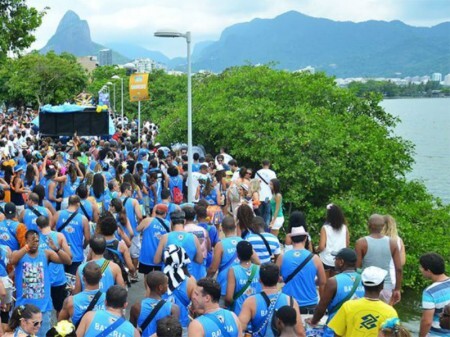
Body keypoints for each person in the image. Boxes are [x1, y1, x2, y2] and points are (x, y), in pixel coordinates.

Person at [10, 229, 72, 337]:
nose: (35, 244)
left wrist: (57, 249)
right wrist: (27, 247)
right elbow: (12, 260)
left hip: (43, 310)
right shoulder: (19, 254)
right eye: (31, 241)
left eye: (37, 241)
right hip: (23, 310)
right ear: (26, 241)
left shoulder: (46, 254)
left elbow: (68, 261)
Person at [306, 248, 365, 337]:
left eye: (335, 259)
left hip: (335, 329)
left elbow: (322, 307)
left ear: (341, 262)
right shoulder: (364, 279)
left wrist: (314, 320)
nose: (335, 262)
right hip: (357, 327)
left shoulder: (333, 281)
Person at [327, 266, 398, 337]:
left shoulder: (348, 306)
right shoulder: (390, 312)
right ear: (382, 286)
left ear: (362, 283)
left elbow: (337, 333)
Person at [239, 263, 305, 337]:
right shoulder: (290, 301)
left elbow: (240, 328)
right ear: (278, 279)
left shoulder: (250, 302)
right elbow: (300, 332)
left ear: (260, 280)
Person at [355, 214, 402, 305]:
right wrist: (397, 289)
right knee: (382, 316)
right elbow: (399, 268)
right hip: (386, 286)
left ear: (369, 225)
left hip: (366, 286)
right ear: (383, 226)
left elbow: (356, 267)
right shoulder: (392, 243)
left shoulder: (361, 242)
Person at [277, 226, 326, 314]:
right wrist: (313, 281)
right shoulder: (315, 258)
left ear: (291, 239)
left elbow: (275, 278)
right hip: (310, 304)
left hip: (288, 303)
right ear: (305, 238)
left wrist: (282, 279)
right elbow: (323, 281)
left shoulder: (282, 257)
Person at [36, 215, 71, 316]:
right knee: (60, 309)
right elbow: (69, 256)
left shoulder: (35, 239)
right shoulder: (59, 236)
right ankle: (59, 329)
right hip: (58, 278)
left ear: (38, 227)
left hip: (42, 280)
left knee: (41, 308)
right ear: (49, 223)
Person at [154, 210, 204, 280]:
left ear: (171, 222)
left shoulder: (165, 237)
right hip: (187, 277)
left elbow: (156, 260)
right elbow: (200, 260)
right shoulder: (193, 238)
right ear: (184, 221)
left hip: (169, 278)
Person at [130, 271, 180, 336]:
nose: (168, 285)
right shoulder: (173, 308)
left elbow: (131, 330)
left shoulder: (136, 307)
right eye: (167, 283)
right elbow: (174, 332)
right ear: (160, 287)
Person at [58, 262, 106, 326]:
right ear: (101, 277)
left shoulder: (70, 301)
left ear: (83, 278)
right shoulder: (109, 299)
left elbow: (60, 325)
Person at [162, 244, 196, 332]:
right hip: (182, 326)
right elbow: (195, 307)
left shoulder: (156, 279)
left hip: (160, 326)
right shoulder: (191, 281)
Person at [53, 195, 90, 275]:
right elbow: (87, 238)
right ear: (78, 204)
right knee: (73, 283)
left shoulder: (58, 214)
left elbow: (49, 229)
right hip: (76, 255)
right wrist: (83, 246)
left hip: (60, 255)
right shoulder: (83, 219)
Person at [207, 216, 242, 296]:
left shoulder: (220, 245)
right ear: (235, 227)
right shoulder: (243, 241)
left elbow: (213, 269)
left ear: (222, 228)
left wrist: (206, 279)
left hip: (224, 283)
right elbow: (256, 261)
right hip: (241, 282)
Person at [225, 240, 262, 315]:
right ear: (252, 254)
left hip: (239, 312)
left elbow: (229, 298)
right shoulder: (259, 269)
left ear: (237, 255)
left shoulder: (233, 270)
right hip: (256, 310)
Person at [418, 252, 450, 337]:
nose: (420, 269)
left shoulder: (429, 292)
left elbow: (427, 322)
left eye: (421, 267)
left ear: (428, 270)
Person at [137, 203, 171, 274]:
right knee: (159, 277)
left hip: (146, 255)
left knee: (147, 276)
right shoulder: (168, 224)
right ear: (165, 213)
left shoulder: (147, 220)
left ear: (155, 212)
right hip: (160, 256)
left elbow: (137, 229)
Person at [318, 203, 349, 278]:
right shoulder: (345, 228)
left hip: (326, 259)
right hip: (340, 259)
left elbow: (322, 246)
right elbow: (347, 244)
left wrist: (317, 249)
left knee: (324, 283)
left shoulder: (325, 228)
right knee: (336, 283)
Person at [120, 182, 143, 281]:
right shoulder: (134, 201)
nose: (131, 192)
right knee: (134, 254)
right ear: (126, 190)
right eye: (130, 190)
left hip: (119, 231)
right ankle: (133, 274)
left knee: (121, 253)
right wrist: (138, 225)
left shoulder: (115, 200)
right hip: (132, 231)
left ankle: (122, 273)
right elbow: (139, 216)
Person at [382, 215, 406, 290]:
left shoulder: (374, 240)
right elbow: (401, 262)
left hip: (376, 279)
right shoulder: (399, 241)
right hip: (392, 278)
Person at [256, 160, 276, 229]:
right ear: (269, 164)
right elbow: (274, 184)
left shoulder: (258, 172)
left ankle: (259, 229)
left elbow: (256, 184)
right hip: (268, 197)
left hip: (259, 196)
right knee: (267, 214)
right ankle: (266, 230)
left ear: (262, 164)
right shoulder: (272, 173)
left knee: (259, 215)